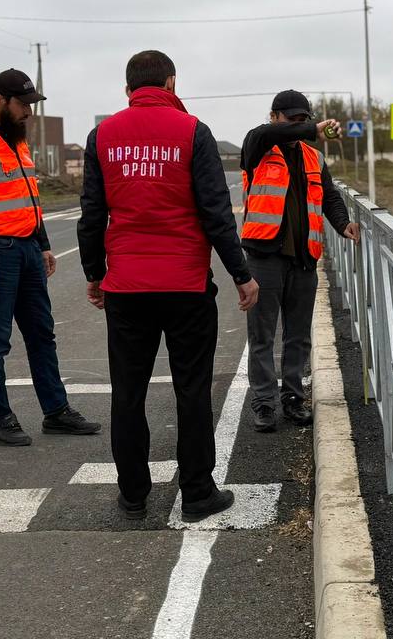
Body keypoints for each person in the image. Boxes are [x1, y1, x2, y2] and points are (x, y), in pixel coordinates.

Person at [78, 50, 259, 522]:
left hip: (127, 288)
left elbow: (92, 214)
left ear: (128, 89)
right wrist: (240, 273)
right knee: (192, 390)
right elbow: (216, 212)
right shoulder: (193, 132)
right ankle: (197, 493)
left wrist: (95, 273)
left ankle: (133, 495)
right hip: (185, 286)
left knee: (128, 393)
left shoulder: (102, 136)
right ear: (172, 83)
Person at [0, 69, 101, 446]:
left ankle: (56, 411)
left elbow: (28, 195)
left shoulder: (15, 137)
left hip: (29, 248)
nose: (29, 112)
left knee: (42, 334)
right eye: (23, 104)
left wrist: (43, 243)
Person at [239, 90, 359, 433]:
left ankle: (292, 397)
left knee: (298, 336)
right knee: (262, 335)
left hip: (304, 258)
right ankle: (264, 403)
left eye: (303, 119)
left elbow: (330, 196)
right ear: (274, 117)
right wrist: (312, 129)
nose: (297, 124)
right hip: (264, 256)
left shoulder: (313, 157)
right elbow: (266, 134)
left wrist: (343, 224)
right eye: (291, 119)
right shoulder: (258, 145)